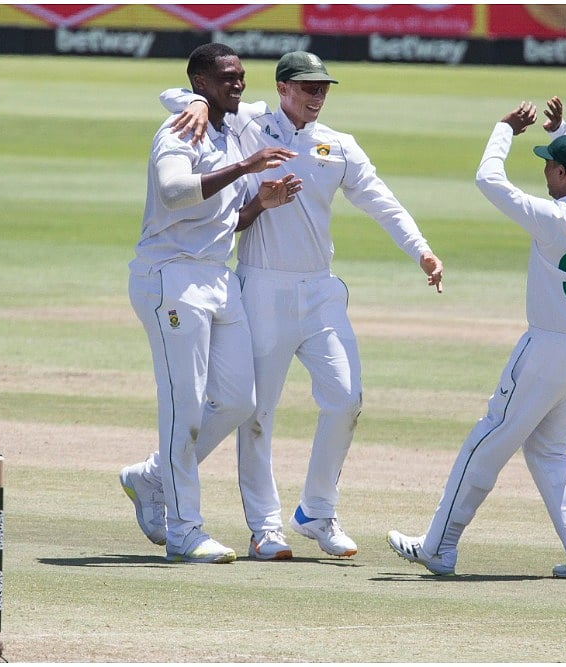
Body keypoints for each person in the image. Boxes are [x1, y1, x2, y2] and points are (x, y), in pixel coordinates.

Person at [157, 51, 444, 560]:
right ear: (283, 87)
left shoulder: (338, 144)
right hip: (261, 287)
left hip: (320, 291)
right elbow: (184, 97)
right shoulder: (250, 123)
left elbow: (380, 199)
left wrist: (421, 250)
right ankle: (265, 528)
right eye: (308, 87)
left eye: (323, 88)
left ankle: (316, 511)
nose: (317, 96)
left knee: (346, 398)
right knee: (258, 414)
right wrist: (194, 103)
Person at [387, 97, 566, 578]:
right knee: (550, 451)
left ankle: (439, 547)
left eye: (550, 165)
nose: (545, 171)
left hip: (546, 349)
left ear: (562, 174)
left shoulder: (553, 218)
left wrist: (504, 130)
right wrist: (560, 133)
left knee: (486, 441)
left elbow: (488, 179)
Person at [119, 43, 302, 564]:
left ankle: (151, 477)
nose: (238, 85)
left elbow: (222, 221)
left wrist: (259, 204)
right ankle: (183, 532)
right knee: (184, 408)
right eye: (226, 78)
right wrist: (245, 165)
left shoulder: (226, 126)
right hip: (170, 278)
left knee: (239, 401)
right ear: (201, 82)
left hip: (217, 278)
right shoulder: (179, 131)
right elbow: (175, 192)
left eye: (241, 75)